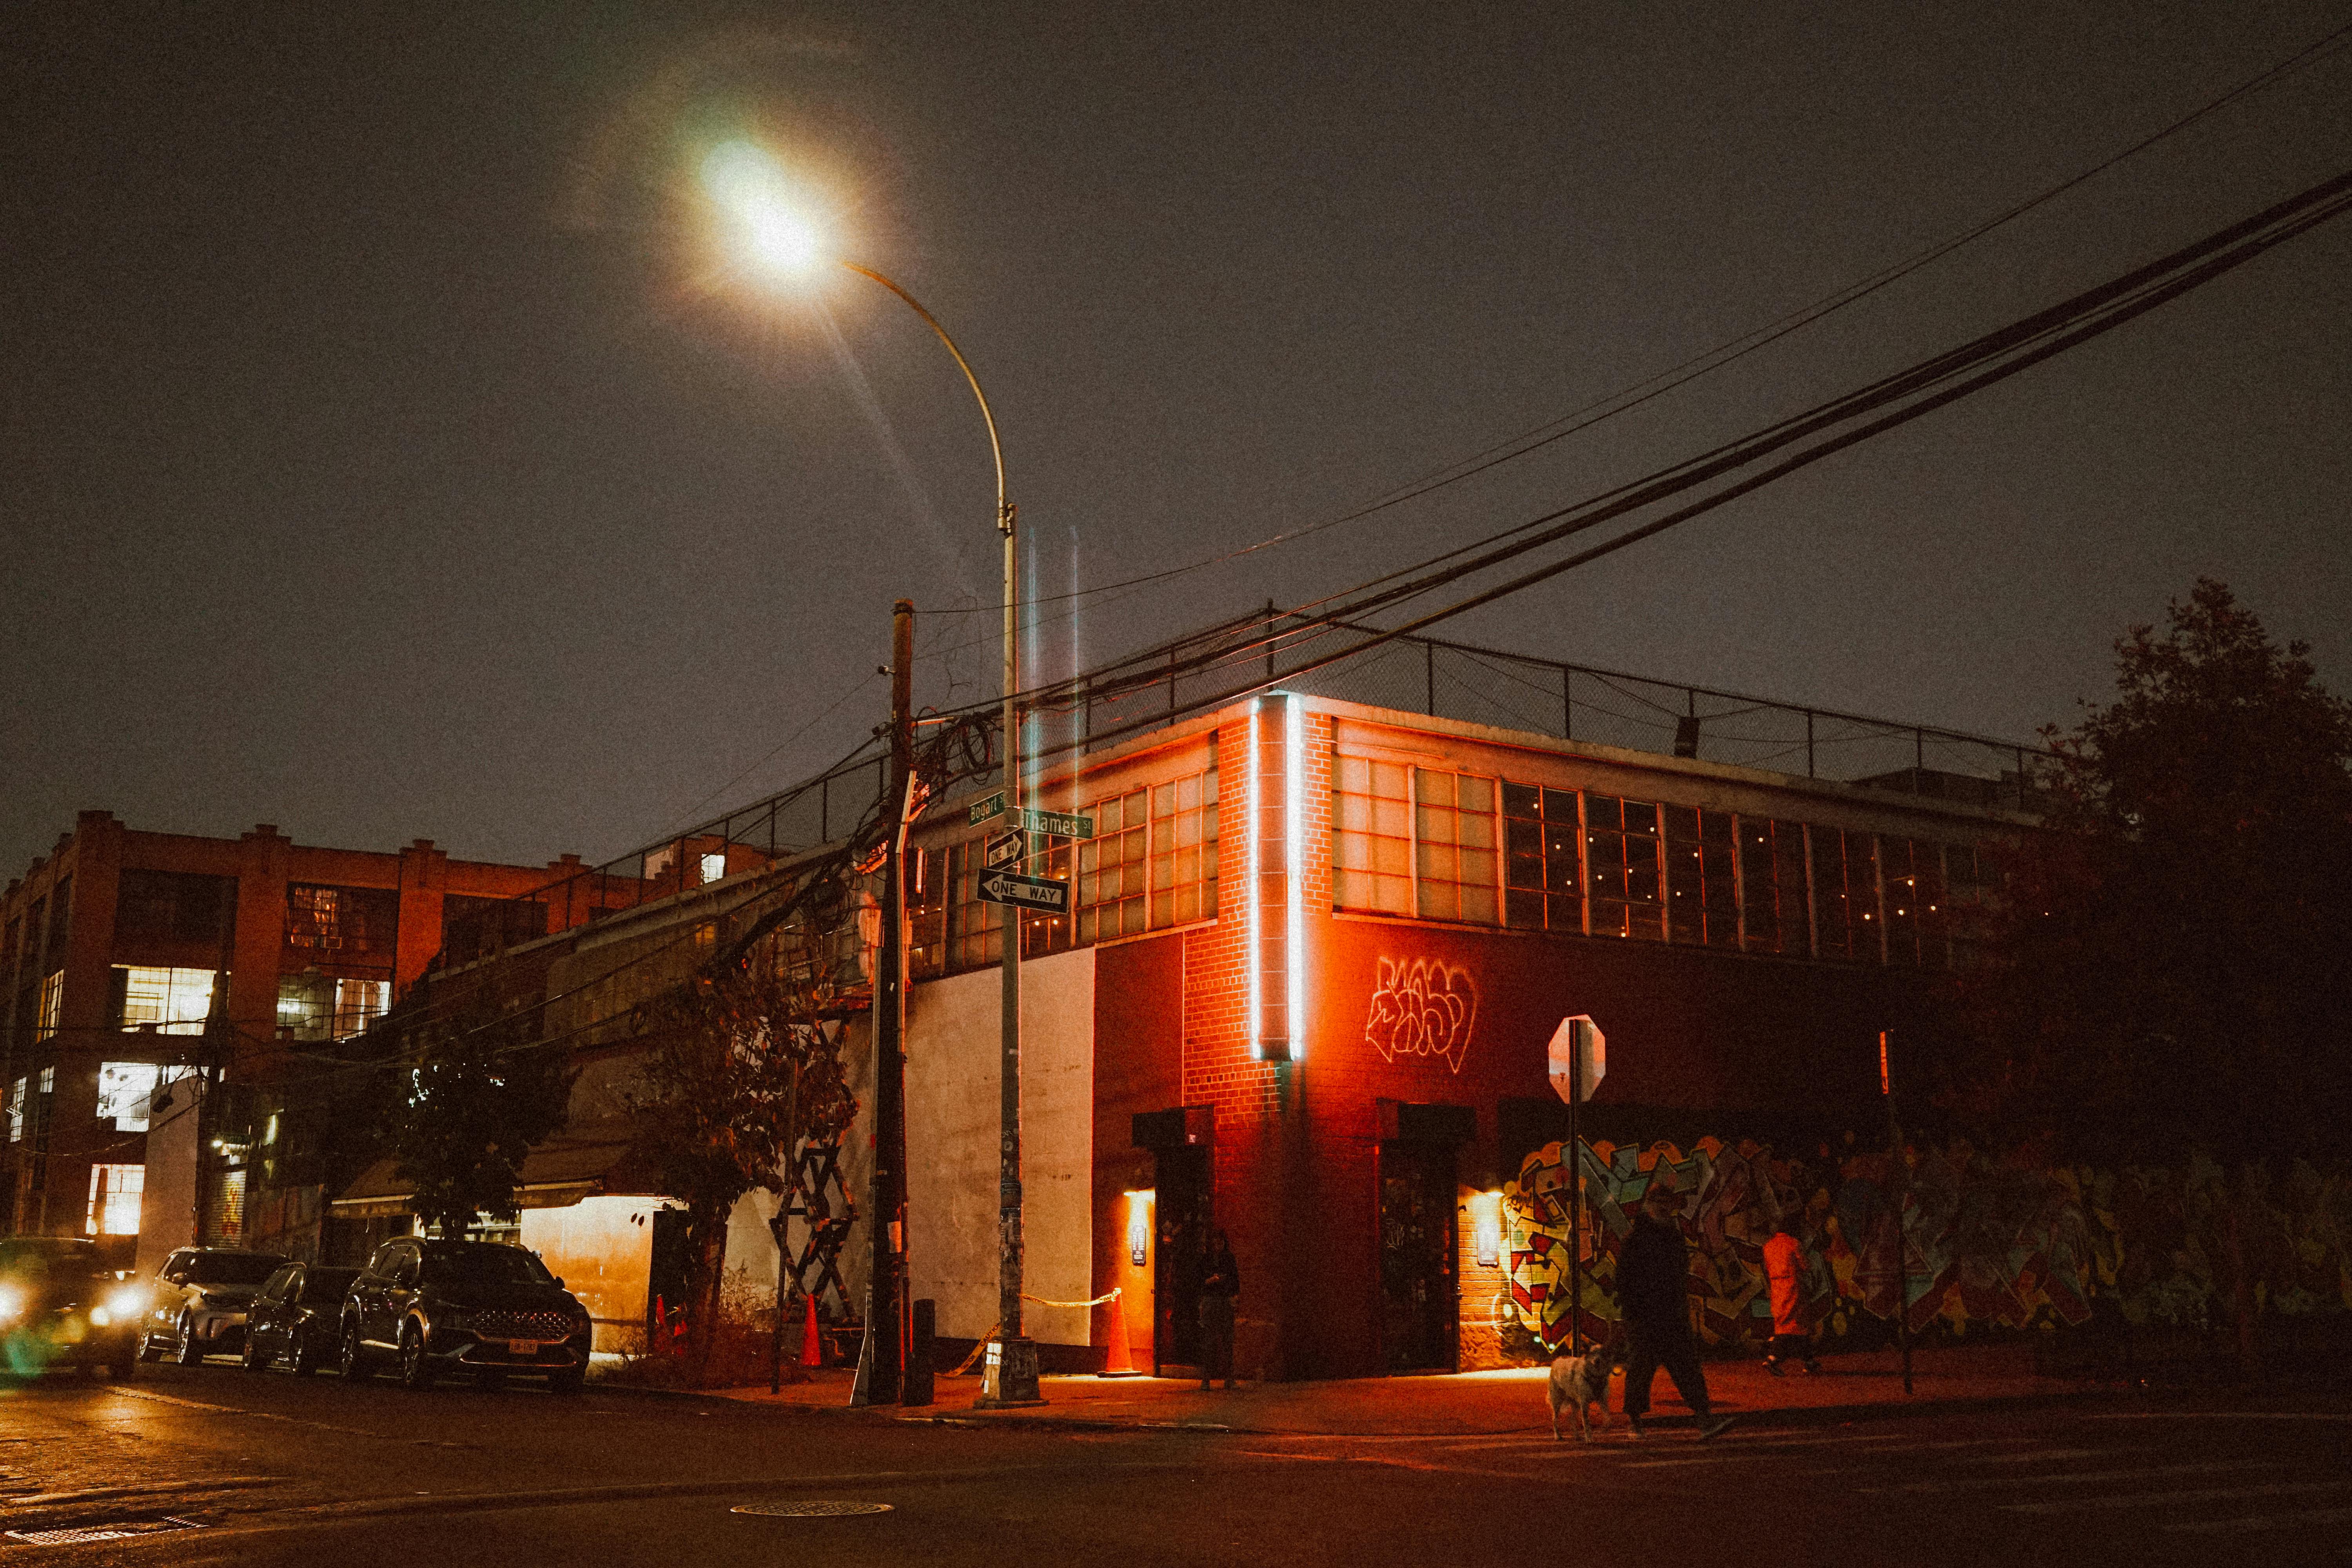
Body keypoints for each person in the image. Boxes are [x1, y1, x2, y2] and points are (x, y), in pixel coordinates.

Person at [1616, 1183, 1734, 1440]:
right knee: (1641, 1369)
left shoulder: (1672, 1235)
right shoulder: (1637, 1238)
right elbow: (1624, 1279)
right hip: (1645, 1317)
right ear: (1649, 1205)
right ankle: (1635, 1421)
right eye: (1658, 1202)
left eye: (1666, 1202)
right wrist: (1633, 1313)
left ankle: (1704, 1418)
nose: (1662, 1207)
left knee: (1687, 1367)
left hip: (1671, 1314)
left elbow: (1678, 1274)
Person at [1762, 1224, 1822, 1375]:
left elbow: (1767, 1267)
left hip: (1777, 1288)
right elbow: (1805, 1266)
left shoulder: (1768, 1247)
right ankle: (1773, 1358)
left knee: (1789, 1325)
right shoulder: (1793, 1243)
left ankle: (1809, 1361)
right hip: (1793, 1288)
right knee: (1795, 1324)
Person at [1197, 1228, 1240, 1390]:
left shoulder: (1229, 1258)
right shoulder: (1206, 1259)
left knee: (1227, 1341)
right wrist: (1209, 1281)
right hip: (1211, 1301)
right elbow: (1198, 1281)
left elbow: (1235, 1280)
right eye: (1215, 1243)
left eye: (1220, 1243)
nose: (1217, 1246)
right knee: (1209, 1341)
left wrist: (1235, 1296)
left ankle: (1229, 1378)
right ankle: (1206, 1379)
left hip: (1224, 1301)